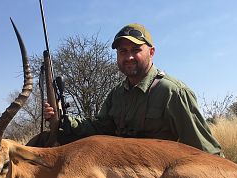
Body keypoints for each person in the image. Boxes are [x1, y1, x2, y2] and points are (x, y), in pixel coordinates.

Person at [28, 23, 222, 156]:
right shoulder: (116, 94)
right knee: (44, 141)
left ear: (151, 52)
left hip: (157, 176)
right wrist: (63, 119)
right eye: (123, 51)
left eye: (136, 50)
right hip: (119, 170)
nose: (128, 57)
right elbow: (100, 128)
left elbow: (206, 150)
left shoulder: (173, 92)